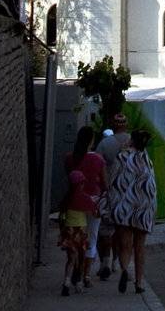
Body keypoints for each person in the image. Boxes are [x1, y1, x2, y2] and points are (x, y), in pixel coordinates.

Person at [108, 128, 157, 295]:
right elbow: (152, 187)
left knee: (125, 244)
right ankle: (139, 282)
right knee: (140, 247)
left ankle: (124, 270)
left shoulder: (121, 157)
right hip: (144, 207)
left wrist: (111, 205)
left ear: (131, 141)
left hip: (125, 206)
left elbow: (113, 181)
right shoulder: (147, 160)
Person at [61, 125, 107, 294]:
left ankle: (73, 273)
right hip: (93, 202)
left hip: (74, 204)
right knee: (91, 239)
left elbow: (70, 180)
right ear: (91, 141)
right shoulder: (98, 159)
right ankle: (86, 275)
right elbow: (104, 183)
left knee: (74, 241)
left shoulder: (69, 158)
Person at [95, 112, 132, 279]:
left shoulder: (104, 144)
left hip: (110, 190)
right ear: (126, 125)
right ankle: (118, 262)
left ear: (113, 125)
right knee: (122, 229)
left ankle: (105, 260)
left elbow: (97, 166)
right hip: (129, 192)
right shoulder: (133, 142)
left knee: (106, 229)